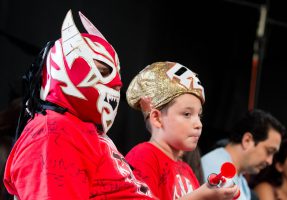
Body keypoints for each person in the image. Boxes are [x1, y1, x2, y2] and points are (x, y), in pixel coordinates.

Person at [3, 10, 155, 199]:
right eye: (103, 70)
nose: (117, 83)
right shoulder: (53, 130)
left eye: (117, 73)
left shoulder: (79, 130)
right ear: (65, 67)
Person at [125, 61, 239, 199]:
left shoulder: (186, 169)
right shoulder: (144, 156)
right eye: (187, 114)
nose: (199, 124)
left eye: (199, 115)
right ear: (157, 118)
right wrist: (201, 197)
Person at [201, 109, 286, 200]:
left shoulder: (239, 178)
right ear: (247, 140)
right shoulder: (216, 170)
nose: (270, 161)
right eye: (269, 151)